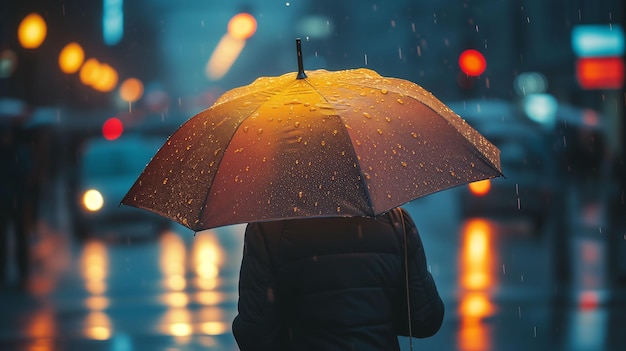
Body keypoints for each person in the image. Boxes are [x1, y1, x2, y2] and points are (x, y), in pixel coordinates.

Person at [232, 206, 444, 350]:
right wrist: (373, 317)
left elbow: (255, 337)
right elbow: (425, 320)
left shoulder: (268, 229)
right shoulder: (396, 222)